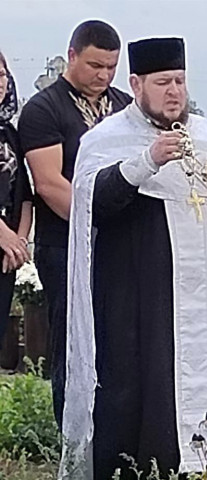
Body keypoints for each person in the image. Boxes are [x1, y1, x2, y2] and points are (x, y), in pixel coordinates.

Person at [62, 37, 207, 480]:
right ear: (136, 84)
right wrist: (147, 161)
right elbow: (91, 203)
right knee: (150, 393)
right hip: (146, 297)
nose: (173, 92)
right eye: (163, 82)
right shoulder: (106, 139)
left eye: (180, 82)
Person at [19, 20, 131, 424]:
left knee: (120, 334)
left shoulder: (123, 105)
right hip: (67, 241)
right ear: (72, 55)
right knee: (73, 338)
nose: (103, 76)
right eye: (94, 65)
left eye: (111, 68)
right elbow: (49, 184)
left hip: (120, 241)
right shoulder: (44, 109)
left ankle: (114, 426)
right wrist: (98, 220)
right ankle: (71, 428)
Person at [0, 52, 32, 349]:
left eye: (1, 75)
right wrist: (4, 235)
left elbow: (23, 194)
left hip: (5, 254)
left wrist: (19, 242)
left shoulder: (11, 132)